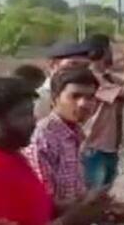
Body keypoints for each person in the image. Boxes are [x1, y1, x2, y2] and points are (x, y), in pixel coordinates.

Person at [0, 77, 108, 225]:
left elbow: (37, 207)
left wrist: (82, 204)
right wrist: (72, 219)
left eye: (31, 113)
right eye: (22, 115)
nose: (33, 120)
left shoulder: (13, 156)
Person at [24, 66, 101, 207]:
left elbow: (73, 189)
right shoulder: (43, 138)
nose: (84, 104)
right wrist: (86, 205)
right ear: (55, 98)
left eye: (90, 97)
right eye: (75, 96)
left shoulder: (74, 132)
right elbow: (45, 203)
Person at [82, 35, 124, 188]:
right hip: (95, 148)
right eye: (110, 50)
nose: (113, 54)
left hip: (109, 146)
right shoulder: (91, 78)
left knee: (104, 193)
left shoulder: (108, 78)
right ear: (98, 52)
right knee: (94, 194)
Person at [35, 42, 93, 121]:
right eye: (73, 64)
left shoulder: (89, 94)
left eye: (85, 66)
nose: (79, 70)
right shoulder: (39, 98)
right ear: (52, 64)